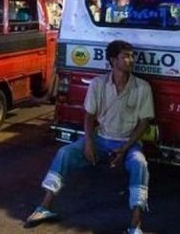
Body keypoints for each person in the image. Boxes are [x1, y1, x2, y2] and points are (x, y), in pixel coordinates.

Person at [25, 40, 153, 234]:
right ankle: (44, 206)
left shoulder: (143, 87)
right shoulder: (98, 84)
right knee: (64, 153)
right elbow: (89, 117)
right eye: (125, 56)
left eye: (132, 56)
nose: (131, 60)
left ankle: (135, 225)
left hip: (127, 144)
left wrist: (125, 149)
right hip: (100, 139)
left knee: (140, 164)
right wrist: (89, 144)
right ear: (112, 60)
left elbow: (144, 123)